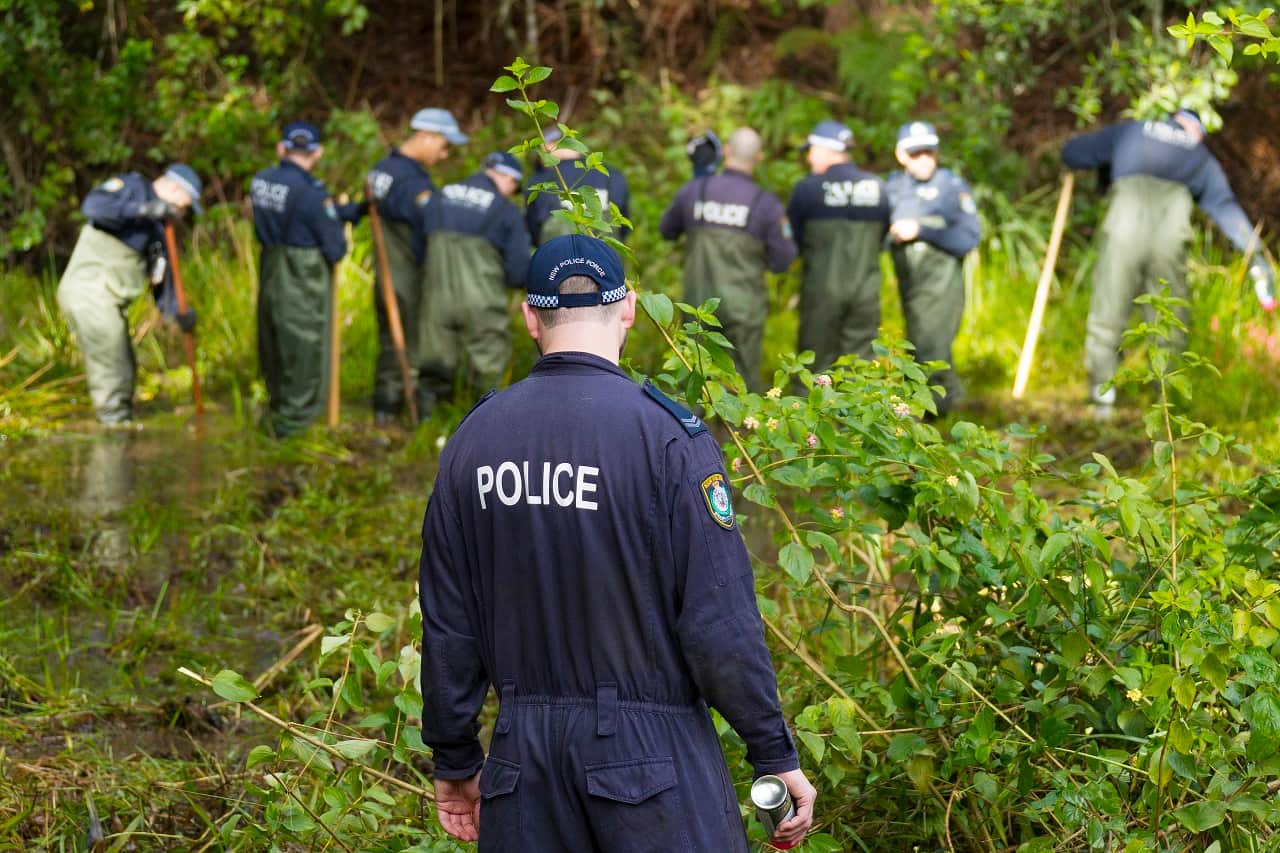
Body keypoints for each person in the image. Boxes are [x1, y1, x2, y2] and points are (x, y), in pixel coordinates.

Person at [418, 233, 817, 852]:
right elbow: (719, 618)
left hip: (522, 768)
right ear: (628, 308)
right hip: (650, 764)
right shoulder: (667, 437)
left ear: (529, 316)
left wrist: (454, 756)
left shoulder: (473, 441)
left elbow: (449, 625)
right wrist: (770, 748)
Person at [1061, 108, 1277, 410]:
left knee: (1108, 312)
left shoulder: (1131, 131)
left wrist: (1088, 161)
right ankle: (1165, 405)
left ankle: (1102, 399)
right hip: (1169, 240)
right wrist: (1256, 257)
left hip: (1123, 231)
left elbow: (1073, 154)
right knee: (1169, 320)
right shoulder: (1199, 157)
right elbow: (1226, 210)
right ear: (1194, 129)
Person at [57, 164, 202, 424]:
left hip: (109, 301)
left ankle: (123, 424)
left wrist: (180, 313)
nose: (182, 213)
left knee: (125, 365)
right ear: (174, 188)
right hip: (89, 291)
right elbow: (94, 207)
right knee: (112, 368)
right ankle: (114, 435)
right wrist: (142, 210)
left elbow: (162, 282)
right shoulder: (134, 187)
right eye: (184, 205)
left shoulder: (159, 232)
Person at [659, 127, 797, 391]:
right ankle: (735, 432)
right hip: (744, 312)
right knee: (740, 385)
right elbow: (784, 259)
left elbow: (667, 231)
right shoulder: (765, 204)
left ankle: (690, 432)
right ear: (759, 158)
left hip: (697, 309)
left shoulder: (695, 191)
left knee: (692, 380)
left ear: (726, 151)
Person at [250, 121, 353, 437]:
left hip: (270, 266)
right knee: (303, 347)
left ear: (282, 149)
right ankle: (293, 429)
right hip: (301, 276)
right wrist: (335, 221)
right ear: (317, 153)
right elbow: (335, 248)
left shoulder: (261, 181)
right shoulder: (312, 193)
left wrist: (343, 212)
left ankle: (276, 413)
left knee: (274, 341)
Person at [365, 108, 468, 422]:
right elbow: (430, 219)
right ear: (426, 136)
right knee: (410, 343)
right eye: (443, 145)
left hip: (385, 273)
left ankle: (385, 406)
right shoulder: (410, 181)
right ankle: (399, 409)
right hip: (405, 272)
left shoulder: (382, 169)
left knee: (391, 341)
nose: (444, 154)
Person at [416, 152, 532, 415]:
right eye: (514, 187)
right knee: (486, 365)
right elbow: (517, 272)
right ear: (508, 178)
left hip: (436, 297)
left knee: (434, 361)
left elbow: (417, 250)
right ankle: (483, 423)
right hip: (482, 301)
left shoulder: (439, 197)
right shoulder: (505, 210)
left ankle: (427, 421)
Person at [886, 121, 981, 414]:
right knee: (918, 342)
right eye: (917, 154)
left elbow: (968, 237)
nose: (925, 159)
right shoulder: (892, 188)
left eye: (930, 152)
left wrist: (922, 230)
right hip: (909, 282)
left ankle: (936, 414)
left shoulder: (951, 187)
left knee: (932, 345)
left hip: (941, 284)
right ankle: (948, 405)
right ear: (901, 155)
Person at [788, 119, 891, 369]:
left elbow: (796, 239)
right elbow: (883, 238)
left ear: (825, 150)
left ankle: (812, 407)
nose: (809, 159)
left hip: (821, 291)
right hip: (865, 291)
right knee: (860, 365)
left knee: (813, 365)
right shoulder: (877, 188)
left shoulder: (807, 189)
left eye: (811, 151)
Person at [524, 127, 631, 245]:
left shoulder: (540, 181)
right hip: (605, 258)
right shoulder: (612, 175)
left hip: (559, 259)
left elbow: (533, 229)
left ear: (547, 147)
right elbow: (622, 224)